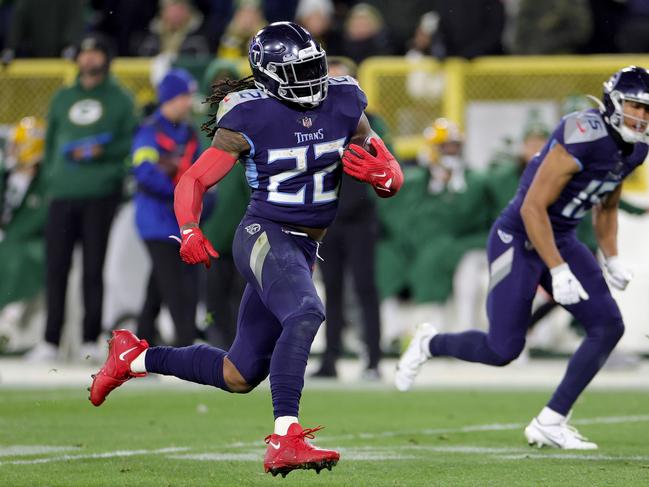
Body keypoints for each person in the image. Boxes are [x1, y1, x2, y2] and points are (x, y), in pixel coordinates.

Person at [89, 22, 403, 476]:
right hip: (265, 232)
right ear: (270, 75)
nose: (313, 78)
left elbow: (383, 161)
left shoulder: (345, 99)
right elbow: (194, 179)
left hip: (303, 248)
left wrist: (389, 176)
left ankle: (133, 357)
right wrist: (190, 227)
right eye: (299, 71)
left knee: (239, 374)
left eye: (314, 66)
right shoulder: (248, 115)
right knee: (306, 312)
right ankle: (285, 438)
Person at [395, 66, 649, 450]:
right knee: (503, 350)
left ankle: (551, 420)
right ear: (614, 103)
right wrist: (558, 269)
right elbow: (532, 207)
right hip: (518, 236)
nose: (641, 117)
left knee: (608, 325)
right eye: (635, 106)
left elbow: (607, 204)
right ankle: (430, 343)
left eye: (648, 110)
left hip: (560, 236)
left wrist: (611, 257)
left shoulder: (637, 146)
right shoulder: (583, 133)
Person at [27, 33, 137, 362]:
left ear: (106, 58)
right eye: (83, 53)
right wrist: (50, 183)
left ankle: (90, 338)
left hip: (99, 194)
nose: (88, 59)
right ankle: (50, 340)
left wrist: (103, 153)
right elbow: (49, 148)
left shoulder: (120, 99)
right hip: (62, 194)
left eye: (94, 53)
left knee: (93, 269)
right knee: (55, 268)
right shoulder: (62, 97)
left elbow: (129, 145)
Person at [312, 57, 388, 380]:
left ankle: (372, 359)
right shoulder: (315, 120)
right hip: (329, 217)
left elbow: (386, 162)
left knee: (364, 287)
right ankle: (330, 359)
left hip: (359, 218)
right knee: (332, 289)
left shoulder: (371, 121)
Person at [132, 68, 203, 347]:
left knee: (157, 289)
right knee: (176, 287)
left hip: (180, 223)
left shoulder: (189, 132)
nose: (189, 102)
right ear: (171, 98)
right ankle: (187, 345)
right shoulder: (149, 130)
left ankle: (137, 349)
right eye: (185, 96)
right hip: (155, 221)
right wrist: (181, 193)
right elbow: (144, 170)